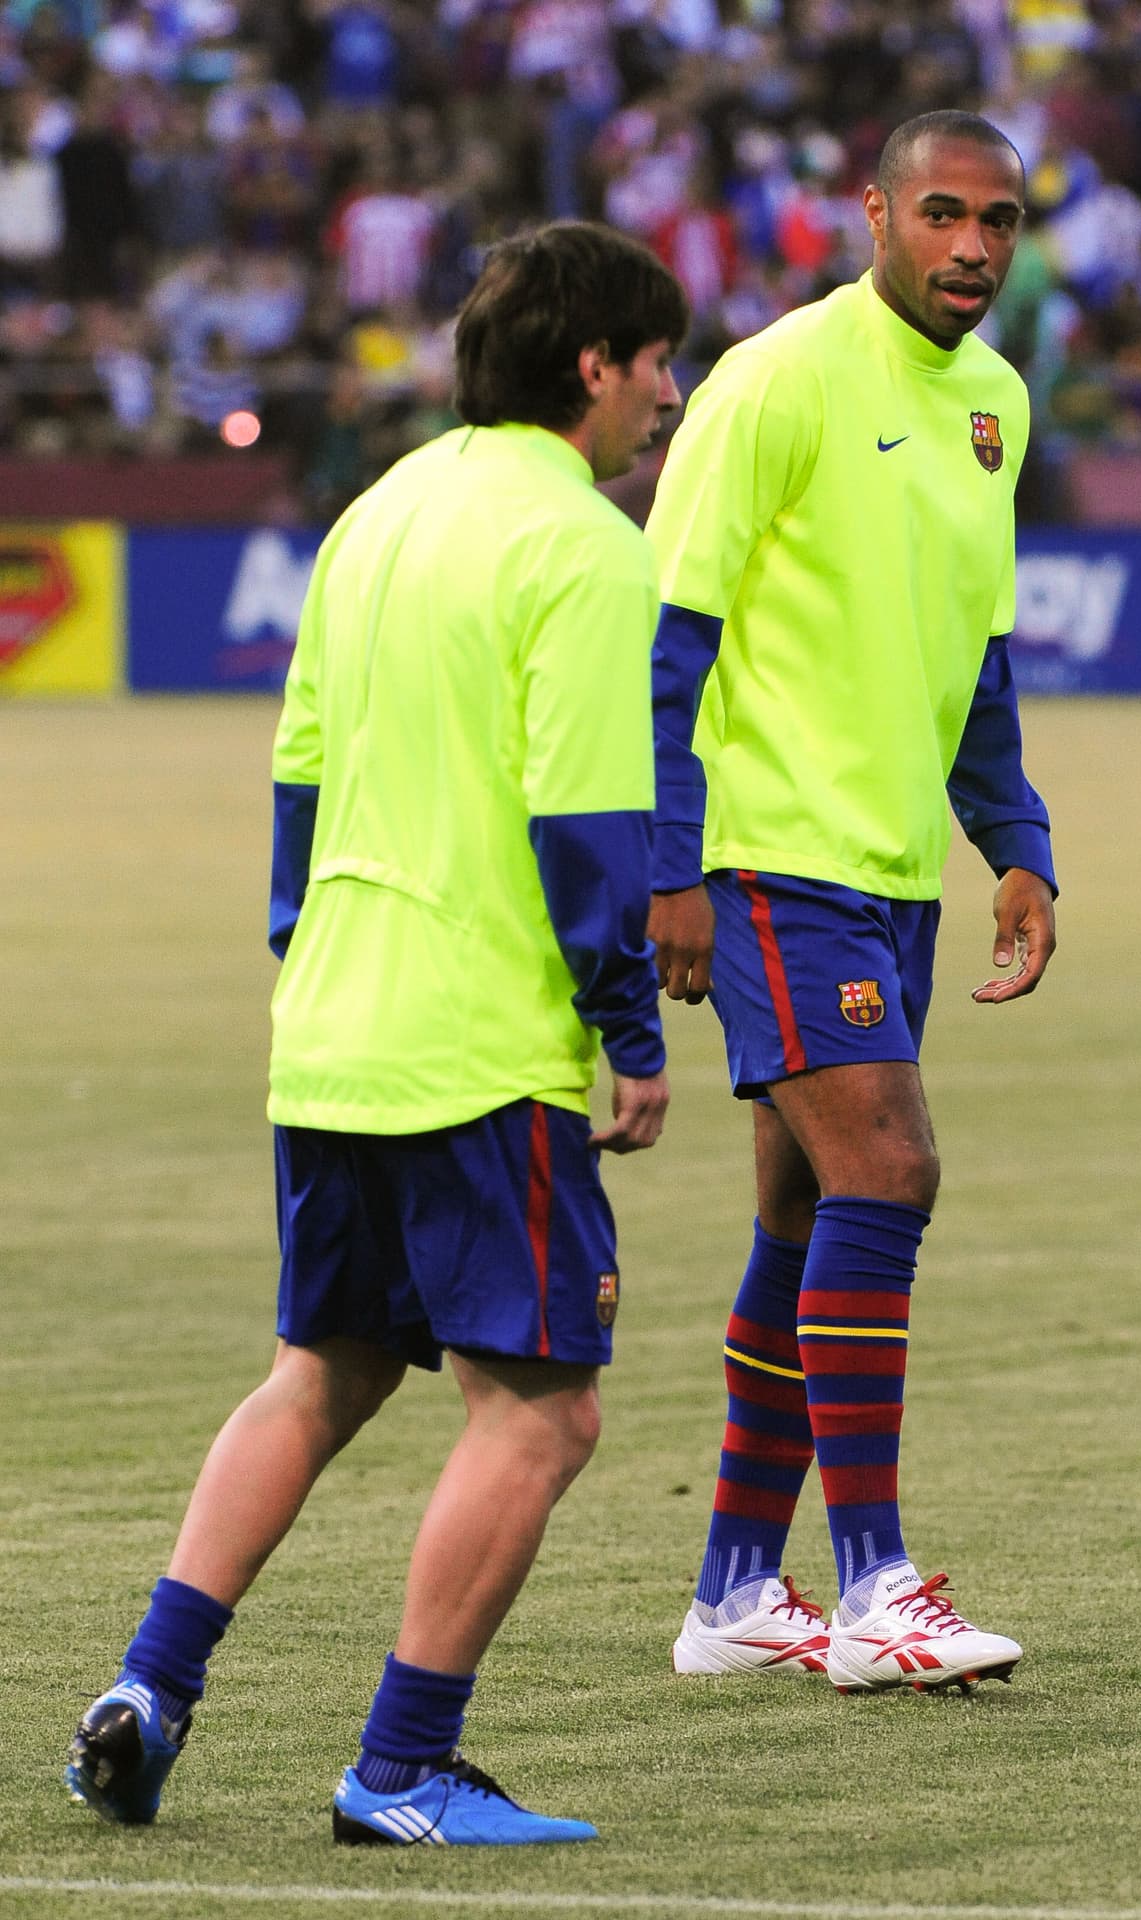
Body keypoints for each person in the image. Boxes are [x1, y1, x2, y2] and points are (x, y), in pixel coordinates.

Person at [65, 220, 688, 1846]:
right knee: (542, 1410)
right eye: (656, 362)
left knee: (321, 1370)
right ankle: (400, 1769)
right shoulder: (589, 546)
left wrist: (307, 947)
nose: (669, 397)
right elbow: (585, 820)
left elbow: (298, 778)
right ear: (592, 366)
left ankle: (148, 1686)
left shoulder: (373, 514)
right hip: (482, 1041)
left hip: (334, 1020)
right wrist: (627, 1027)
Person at [645, 110, 1058, 1695]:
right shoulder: (775, 382)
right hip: (773, 852)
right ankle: (876, 1583)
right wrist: (672, 865)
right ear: (872, 211)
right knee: (892, 1164)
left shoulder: (998, 403)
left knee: (806, 1211)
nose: (972, 247)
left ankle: (738, 1593)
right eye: (942, 213)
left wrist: (1011, 837)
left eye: (1000, 221)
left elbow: (980, 650)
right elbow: (669, 639)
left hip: (891, 870)